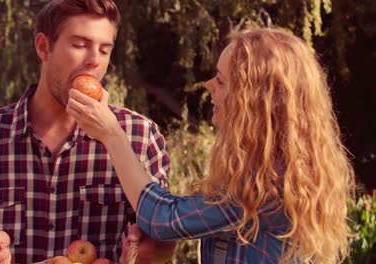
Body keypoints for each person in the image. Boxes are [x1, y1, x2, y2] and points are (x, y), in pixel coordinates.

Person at [67, 27, 356, 263]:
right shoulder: (271, 169)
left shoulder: (265, 183)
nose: (208, 85)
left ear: (251, 102)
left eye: (221, 80)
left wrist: (112, 134)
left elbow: (163, 219)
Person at [0, 0, 175, 263]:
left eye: (104, 50)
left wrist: (148, 250)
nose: (93, 61)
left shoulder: (140, 137)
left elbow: (165, 242)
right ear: (44, 47)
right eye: (79, 45)